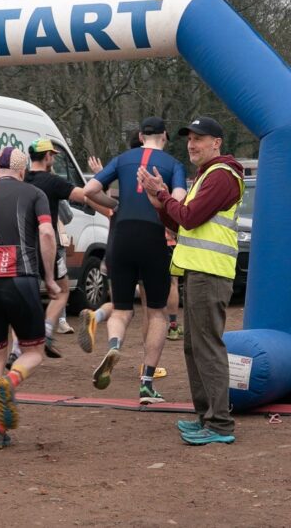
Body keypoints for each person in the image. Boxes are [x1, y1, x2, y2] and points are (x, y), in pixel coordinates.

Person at [139, 116, 244, 445]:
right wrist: (161, 202)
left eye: (199, 139)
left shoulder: (221, 176)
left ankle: (219, 424)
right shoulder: (207, 176)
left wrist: (163, 195)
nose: (191, 144)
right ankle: (206, 418)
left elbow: (190, 216)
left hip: (210, 273)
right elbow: (183, 222)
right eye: (189, 139)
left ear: (217, 143)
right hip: (200, 272)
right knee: (194, 347)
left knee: (207, 347)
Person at [84, 117, 186, 404]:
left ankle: (115, 345)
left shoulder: (122, 159)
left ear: (141, 136)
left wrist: (115, 205)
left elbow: (89, 191)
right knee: (156, 313)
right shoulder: (173, 164)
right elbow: (178, 198)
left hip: (122, 235)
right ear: (165, 135)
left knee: (121, 309)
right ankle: (146, 384)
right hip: (154, 235)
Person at [0, 147, 59, 448]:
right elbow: (47, 234)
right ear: (22, 170)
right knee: (34, 351)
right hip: (22, 280)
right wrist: (49, 277)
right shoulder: (35, 194)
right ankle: (10, 382)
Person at [24, 138, 94, 360]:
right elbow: (83, 195)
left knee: (26, 296)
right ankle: (45, 332)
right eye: (52, 155)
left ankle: (18, 347)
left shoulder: (21, 180)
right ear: (46, 157)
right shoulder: (53, 182)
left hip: (23, 246)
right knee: (62, 291)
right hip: (48, 246)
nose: (53, 159)